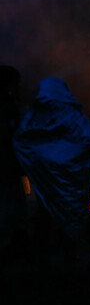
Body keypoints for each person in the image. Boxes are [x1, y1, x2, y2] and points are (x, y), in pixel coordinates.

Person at [13, 77, 90, 265]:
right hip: (71, 175)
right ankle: (67, 251)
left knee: (47, 209)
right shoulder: (72, 115)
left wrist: (38, 161)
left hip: (48, 176)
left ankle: (45, 252)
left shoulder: (35, 116)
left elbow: (22, 140)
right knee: (71, 212)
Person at [0, 65, 28, 261]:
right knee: (10, 209)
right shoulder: (6, 112)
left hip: (11, 170)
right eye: (14, 85)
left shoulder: (12, 110)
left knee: (16, 208)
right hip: (5, 170)